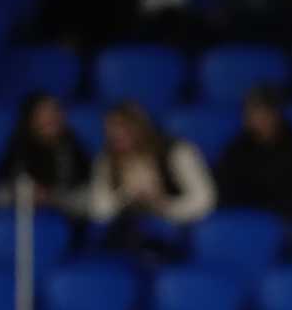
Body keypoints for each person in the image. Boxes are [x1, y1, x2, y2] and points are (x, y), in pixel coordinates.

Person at [89, 101, 217, 256]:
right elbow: (99, 211)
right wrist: (127, 194)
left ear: (141, 128)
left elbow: (205, 200)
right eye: (111, 131)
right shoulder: (107, 160)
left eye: (124, 128)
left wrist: (163, 205)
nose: (118, 135)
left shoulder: (177, 152)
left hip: (176, 233)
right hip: (125, 235)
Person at [215, 88, 292, 221]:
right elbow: (227, 191)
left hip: (286, 219)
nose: (261, 119)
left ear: (277, 115)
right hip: (245, 218)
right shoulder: (235, 150)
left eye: (266, 113)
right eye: (255, 113)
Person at [0, 93, 92, 220]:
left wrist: (51, 196)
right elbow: (5, 184)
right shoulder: (19, 145)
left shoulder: (72, 144)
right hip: (24, 209)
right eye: (44, 115)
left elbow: (82, 184)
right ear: (32, 119)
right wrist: (30, 192)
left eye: (55, 113)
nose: (51, 119)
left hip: (63, 207)